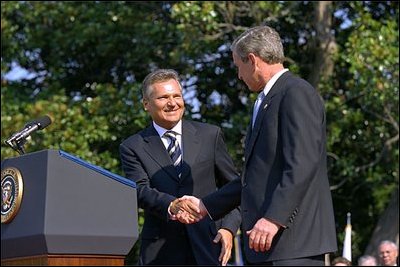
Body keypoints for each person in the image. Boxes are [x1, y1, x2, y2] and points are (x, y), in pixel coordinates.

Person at [171, 25, 338, 265]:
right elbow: (255, 177)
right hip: (266, 246)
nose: (239, 75)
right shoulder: (267, 100)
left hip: (293, 245)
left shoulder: (296, 92)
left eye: (239, 67)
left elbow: (302, 163)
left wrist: (273, 218)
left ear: (252, 60)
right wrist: (205, 205)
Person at [119, 69, 241, 265]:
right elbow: (138, 190)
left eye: (177, 96)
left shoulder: (210, 135)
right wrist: (171, 205)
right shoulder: (133, 146)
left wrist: (228, 229)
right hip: (160, 252)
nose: (172, 103)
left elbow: (235, 189)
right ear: (146, 104)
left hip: (209, 246)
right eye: (163, 97)